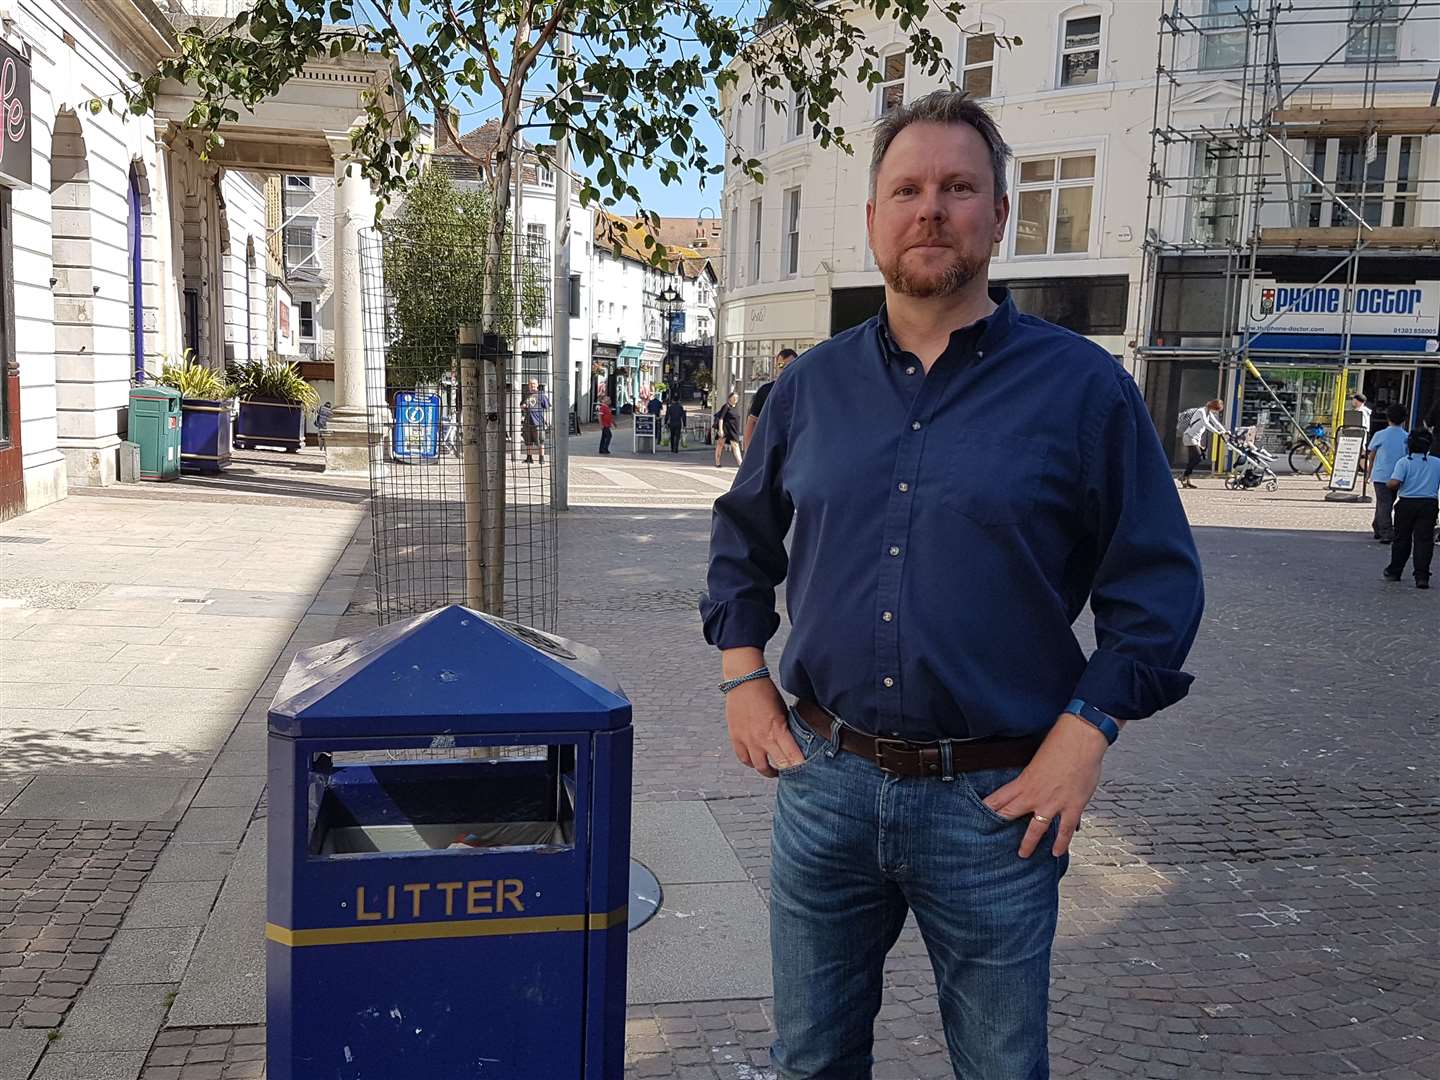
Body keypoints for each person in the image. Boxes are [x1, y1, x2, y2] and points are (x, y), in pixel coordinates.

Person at [700, 89, 1203, 1079]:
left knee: (1002, 1067)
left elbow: (1158, 586)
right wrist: (740, 673)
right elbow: (743, 535)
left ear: (999, 216)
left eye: (959, 187)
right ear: (877, 218)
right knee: (809, 1059)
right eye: (908, 188)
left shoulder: (1082, 389)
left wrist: (1086, 732)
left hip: (999, 802)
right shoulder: (811, 387)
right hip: (826, 786)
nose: (931, 208)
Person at [1382, 427, 1440, 589]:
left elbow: (1394, 483)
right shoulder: (1437, 463)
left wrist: (1388, 484)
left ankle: (1395, 571)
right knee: (1424, 540)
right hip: (1429, 504)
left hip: (1406, 503)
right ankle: (1422, 576)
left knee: (1402, 539)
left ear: (1409, 445)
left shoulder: (1404, 462)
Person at [1367, 404, 1409, 542]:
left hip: (1380, 475)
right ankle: (1382, 528)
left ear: (1387, 418)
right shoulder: (1407, 437)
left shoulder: (1380, 435)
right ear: (1404, 419)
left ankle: (1381, 528)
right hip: (1398, 476)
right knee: (1387, 502)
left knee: (1383, 502)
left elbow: (1372, 455)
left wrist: (1369, 471)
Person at [744, 348, 799, 447]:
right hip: (768, 449)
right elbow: (751, 422)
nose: (785, 369)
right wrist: (748, 454)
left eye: (790, 365)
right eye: (781, 365)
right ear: (776, 367)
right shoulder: (765, 391)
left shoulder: (802, 392)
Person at [1177, 399, 1225, 489]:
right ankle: (1184, 476)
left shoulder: (1208, 413)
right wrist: (1217, 432)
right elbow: (1206, 424)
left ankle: (1186, 479)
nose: (1216, 412)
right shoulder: (1201, 411)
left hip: (1196, 439)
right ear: (1213, 407)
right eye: (1216, 409)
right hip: (1189, 437)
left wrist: (1225, 431)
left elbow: (1216, 423)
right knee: (1197, 457)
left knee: (1194, 459)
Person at [521, 378, 550, 465]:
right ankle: (529, 458)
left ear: (537, 385)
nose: (532, 385)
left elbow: (547, 408)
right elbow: (521, 405)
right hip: (527, 422)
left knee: (540, 441)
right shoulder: (526, 395)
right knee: (528, 441)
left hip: (538, 423)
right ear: (528, 385)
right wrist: (523, 406)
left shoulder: (541, 395)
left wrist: (547, 420)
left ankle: (542, 459)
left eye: (534, 384)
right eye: (530, 384)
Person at [713, 391, 743, 468]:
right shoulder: (726, 406)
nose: (736, 399)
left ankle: (741, 464)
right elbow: (721, 418)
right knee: (720, 445)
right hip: (726, 429)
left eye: (737, 398)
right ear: (730, 398)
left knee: (735, 445)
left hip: (733, 430)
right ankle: (717, 462)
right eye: (734, 397)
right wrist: (720, 430)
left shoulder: (735, 407)